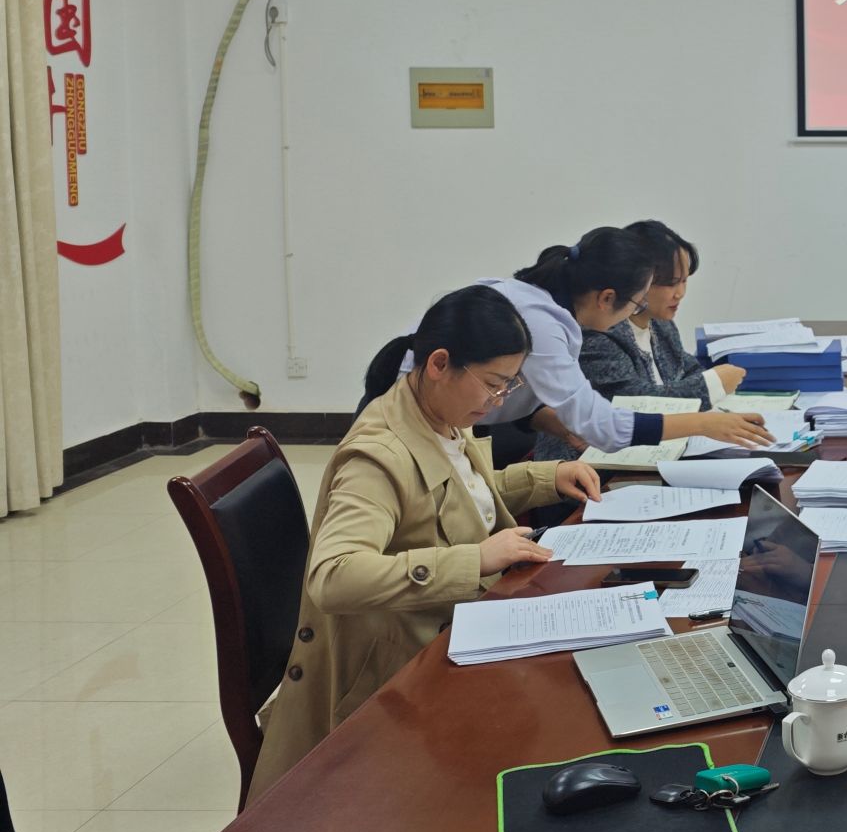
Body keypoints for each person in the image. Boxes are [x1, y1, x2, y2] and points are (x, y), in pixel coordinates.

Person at [247, 285, 604, 804]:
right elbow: (333, 575)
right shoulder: (377, 455)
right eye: (493, 385)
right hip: (391, 678)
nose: (499, 401)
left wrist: (549, 476)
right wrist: (476, 559)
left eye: (509, 386)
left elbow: (459, 495)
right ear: (440, 364)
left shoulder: (436, 415)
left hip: (440, 634)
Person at [387, 227, 775, 462]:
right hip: (415, 421)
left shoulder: (543, 306)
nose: (636, 313)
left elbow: (531, 395)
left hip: (448, 425)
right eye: (636, 303)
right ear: (606, 298)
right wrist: (704, 423)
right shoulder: (543, 324)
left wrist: (548, 419)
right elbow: (601, 426)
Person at [534, 219, 746, 461]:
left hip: (649, 454)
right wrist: (712, 385)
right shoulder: (597, 330)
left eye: (684, 280)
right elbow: (632, 403)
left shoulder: (660, 323)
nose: (680, 293)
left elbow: (687, 369)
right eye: (670, 283)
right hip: (585, 466)